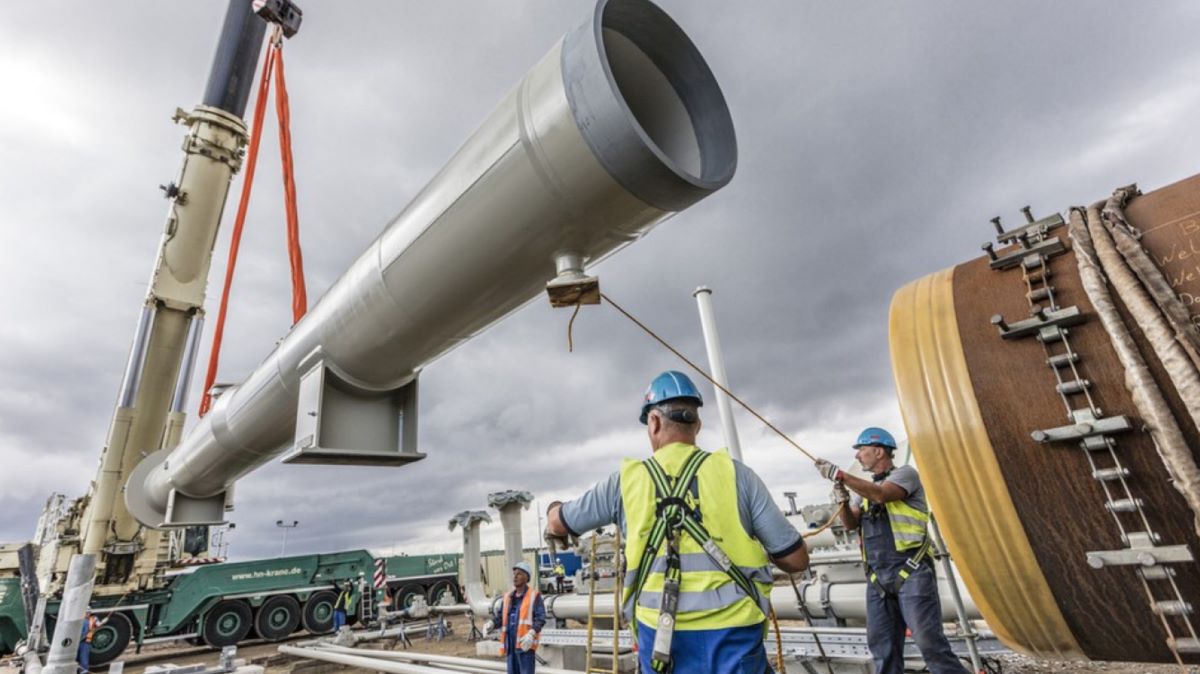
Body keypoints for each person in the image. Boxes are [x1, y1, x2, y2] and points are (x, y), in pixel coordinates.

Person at [546, 370, 809, 674]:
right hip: (734, 635)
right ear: (697, 424)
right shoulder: (738, 476)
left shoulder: (625, 484)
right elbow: (796, 559)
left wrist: (553, 509)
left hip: (660, 639)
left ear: (654, 422)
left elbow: (559, 523)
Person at [815, 427, 969, 674]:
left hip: (911, 571)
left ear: (878, 451)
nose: (857, 456)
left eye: (861, 450)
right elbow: (850, 523)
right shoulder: (862, 491)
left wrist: (840, 475)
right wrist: (842, 501)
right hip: (877, 578)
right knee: (882, 647)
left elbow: (883, 495)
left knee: (929, 643)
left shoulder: (906, 475)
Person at [492, 561, 546, 674]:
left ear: (526, 577)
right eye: (514, 574)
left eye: (519, 574)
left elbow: (540, 618)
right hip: (510, 647)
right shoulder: (507, 597)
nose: (515, 577)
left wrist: (531, 634)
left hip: (525, 646)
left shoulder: (534, 596)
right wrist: (492, 623)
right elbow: (501, 618)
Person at [77, 608, 107, 673]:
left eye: (88, 612)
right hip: (77, 642)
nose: (87, 614)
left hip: (85, 641)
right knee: (77, 657)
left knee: (83, 657)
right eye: (86, 612)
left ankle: (83, 671)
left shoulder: (93, 619)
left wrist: (103, 622)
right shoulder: (79, 619)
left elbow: (98, 624)